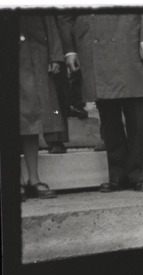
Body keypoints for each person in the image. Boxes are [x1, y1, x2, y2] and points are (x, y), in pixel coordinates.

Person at [57, 13, 143, 193]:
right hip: (92, 44)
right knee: (109, 118)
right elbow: (66, 13)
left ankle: (140, 175)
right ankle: (117, 175)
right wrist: (70, 49)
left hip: (130, 39)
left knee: (137, 115)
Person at [19, 15, 65, 200]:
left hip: (35, 55)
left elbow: (48, 19)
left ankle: (34, 179)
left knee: (31, 120)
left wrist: (55, 56)